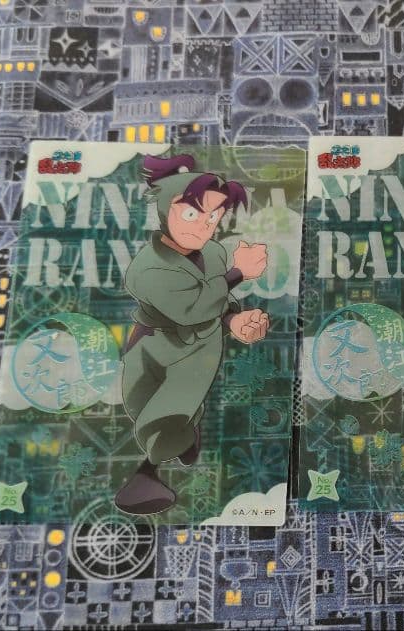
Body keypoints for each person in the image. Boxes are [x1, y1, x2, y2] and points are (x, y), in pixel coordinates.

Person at [115, 154, 270, 515]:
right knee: (143, 406)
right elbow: (189, 307)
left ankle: (146, 475)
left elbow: (213, 303)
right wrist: (238, 274)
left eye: (213, 218)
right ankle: (175, 447)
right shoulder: (147, 268)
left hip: (199, 349)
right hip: (154, 347)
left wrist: (235, 320)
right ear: (165, 209)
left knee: (173, 409)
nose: (203, 226)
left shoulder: (212, 252)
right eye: (190, 214)